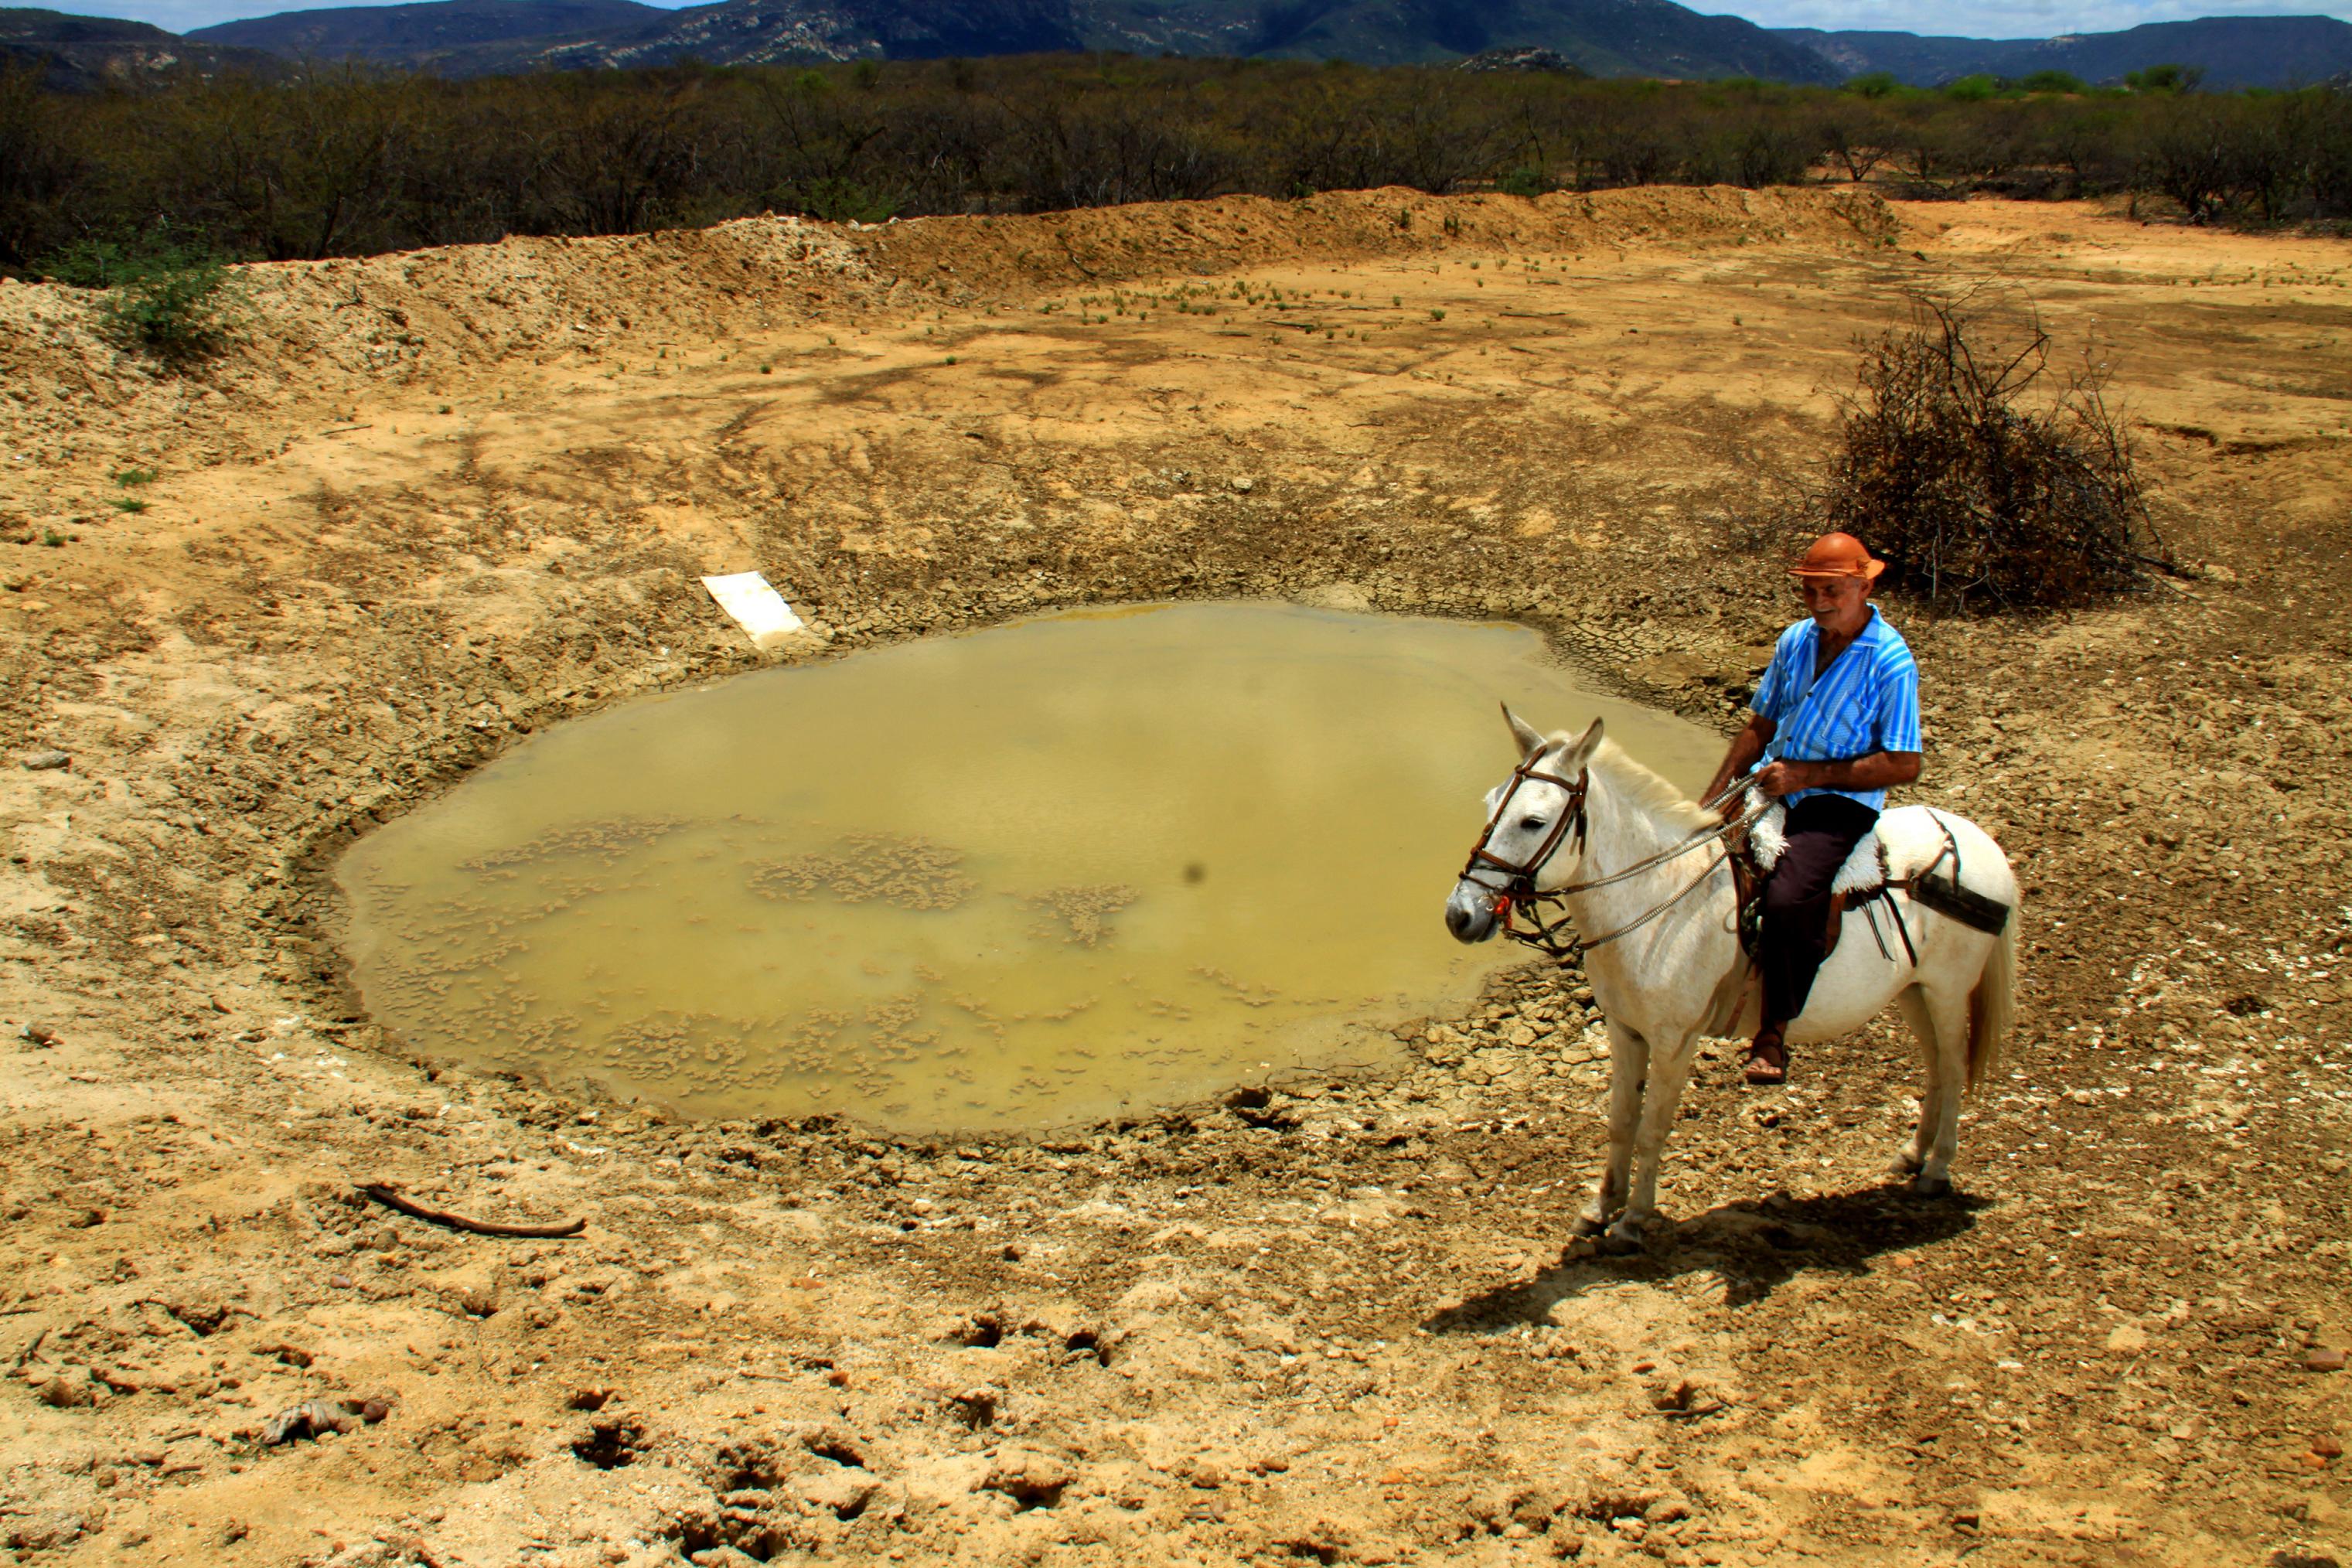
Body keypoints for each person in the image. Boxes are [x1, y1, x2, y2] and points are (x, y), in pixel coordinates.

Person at [1701, 532, 1921, 1086]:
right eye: (1810, 592)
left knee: (1789, 896)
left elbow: (1903, 762)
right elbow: (1760, 724)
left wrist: (1806, 775)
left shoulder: (1891, 662)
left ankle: (1773, 1030)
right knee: (1695, 858)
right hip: (1776, 781)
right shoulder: (1796, 641)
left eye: (1831, 590)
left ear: (1863, 585)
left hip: (1837, 800)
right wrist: (1712, 799)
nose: (1819, 602)